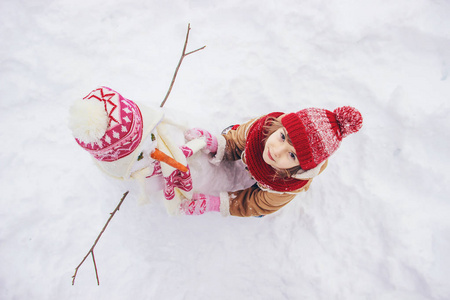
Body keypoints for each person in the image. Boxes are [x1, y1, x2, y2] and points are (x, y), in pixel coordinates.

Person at [179, 106, 363, 217]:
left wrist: (215, 203)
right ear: (280, 126)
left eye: (292, 155)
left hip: (273, 180)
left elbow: (257, 203)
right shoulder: (263, 128)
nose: (276, 151)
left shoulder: (287, 185)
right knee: (234, 131)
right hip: (254, 149)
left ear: (299, 167)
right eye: (283, 137)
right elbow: (238, 139)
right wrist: (219, 144)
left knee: (258, 210)